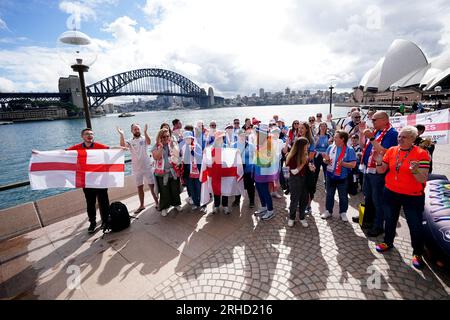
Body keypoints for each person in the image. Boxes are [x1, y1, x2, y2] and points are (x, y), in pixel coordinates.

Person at [374, 126, 431, 270]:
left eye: (404, 137)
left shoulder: (422, 154)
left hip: (412, 196)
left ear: (413, 139)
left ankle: (417, 253)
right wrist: (379, 161)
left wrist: (415, 170)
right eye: (399, 136)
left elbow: (422, 178)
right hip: (391, 192)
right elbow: (381, 170)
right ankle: (388, 242)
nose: (400, 139)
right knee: (390, 219)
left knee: (415, 225)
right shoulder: (392, 150)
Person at [355, 111, 398, 236]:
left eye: (374, 120)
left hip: (379, 172)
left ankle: (378, 226)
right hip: (368, 169)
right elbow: (363, 146)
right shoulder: (376, 131)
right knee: (368, 195)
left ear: (384, 120)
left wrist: (372, 138)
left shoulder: (392, 134)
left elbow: (385, 152)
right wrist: (361, 132)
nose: (372, 122)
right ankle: (366, 218)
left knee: (378, 199)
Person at [67, 128, 111, 233]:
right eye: (87, 134)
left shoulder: (99, 146)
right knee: (90, 203)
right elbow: (62, 154)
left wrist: (122, 148)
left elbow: (112, 149)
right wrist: (40, 154)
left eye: (91, 134)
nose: (89, 135)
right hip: (87, 181)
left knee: (104, 202)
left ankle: (105, 221)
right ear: (82, 136)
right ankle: (92, 222)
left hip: (100, 180)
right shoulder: (77, 148)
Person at [117, 123, 158, 213]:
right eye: (135, 129)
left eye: (138, 129)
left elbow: (149, 142)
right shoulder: (130, 141)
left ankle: (157, 203)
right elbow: (123, 146)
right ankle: (142, 205)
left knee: (152, 186)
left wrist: (145, 132)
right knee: (140, 187)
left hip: (147, 166)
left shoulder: (144, 138)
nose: (136, 130)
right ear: (132, 131)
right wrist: (122, 135)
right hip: (137, 168)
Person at [321, 130, 357, 221]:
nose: (334, 139)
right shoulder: (330, 147)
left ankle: (343, 212)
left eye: (336, 137)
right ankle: (328, 211)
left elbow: (353, 164)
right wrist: (326, 160)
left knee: (343, 196)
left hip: (342, 178)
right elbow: (326, 161)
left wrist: (343, 164)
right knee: (329, 194)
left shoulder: (349, 150)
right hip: (330, 176)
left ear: (342, 139)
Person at [151, 128, 182, 217]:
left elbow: (178, 155)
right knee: (164, 192)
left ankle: (176, 204)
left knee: (175, 190)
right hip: (162, 173)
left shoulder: (172, 144)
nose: (166, 138)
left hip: (173, 171)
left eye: (167, 136)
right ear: (160, 137)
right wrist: (161, 147)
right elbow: (156, 157)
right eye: (163, 137)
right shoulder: (156, 146)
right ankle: (164, 207)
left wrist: (173, 146)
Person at [286, 137, 315, 228]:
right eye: (306, 146)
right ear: (301, 146)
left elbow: (308, 167)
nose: (307, 147)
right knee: (294, 200)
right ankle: (292, 218)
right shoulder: (292, 157)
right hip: (295, 181)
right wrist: (303, 163)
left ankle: (302, 217)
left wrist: (311, 168)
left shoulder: (305, 155)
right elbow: (294, 172)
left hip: (304, 181)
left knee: (304, 200)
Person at [180, 130, 205, 212]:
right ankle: (195, 203)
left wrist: (193, 152)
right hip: (188, 172)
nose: (187, 140)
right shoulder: (183, 147)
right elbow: (182, 159)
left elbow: (201, 158)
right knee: (191, 188)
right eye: (186, 139)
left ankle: (203, 204)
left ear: (192, 139)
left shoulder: (197, 146)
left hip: (197, 171)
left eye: (189, 138)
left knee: (199, 188)